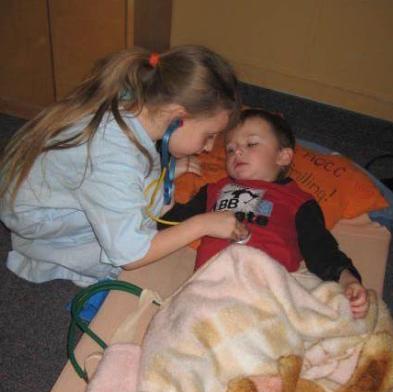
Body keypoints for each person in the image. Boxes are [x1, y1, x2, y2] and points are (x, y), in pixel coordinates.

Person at [0, 45, 249, 287]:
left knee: (135, 201)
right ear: (178, 117)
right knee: (120, 247)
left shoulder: (137, 99)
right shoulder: (112, 158)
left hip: (30, 182)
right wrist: (202, 224)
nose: (208, 147)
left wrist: (170, 169)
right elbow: (132, 256)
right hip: (34, 215)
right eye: (209, 135)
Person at [160, 108, 370, 319]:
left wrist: (347, 280)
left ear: (283, 156)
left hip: (265, 289)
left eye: (251, 144)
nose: (237, 152)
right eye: (230, 150)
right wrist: (165, 180)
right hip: (210, 285)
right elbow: (169, 224)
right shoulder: (214, 189)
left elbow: (321, 249)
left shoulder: (298, 200)